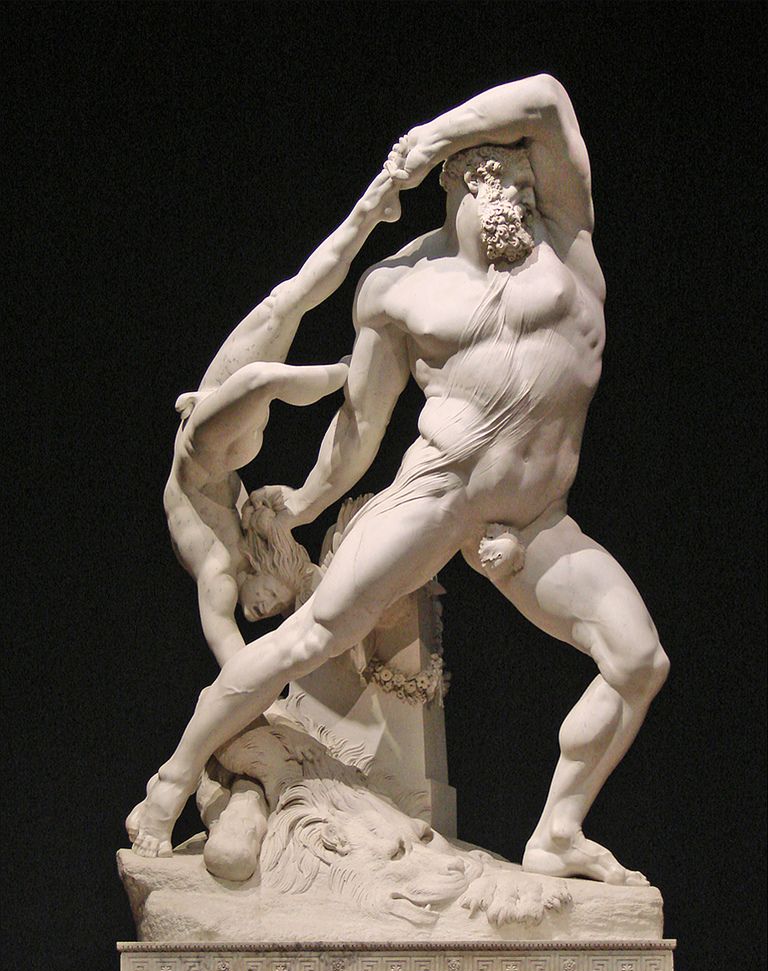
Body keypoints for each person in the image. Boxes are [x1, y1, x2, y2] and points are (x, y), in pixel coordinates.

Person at [130, 75, 669, 885]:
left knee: (638, 661)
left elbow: (548, 99)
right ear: (456, 190)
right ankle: (170, 782)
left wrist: (431, 135)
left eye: (526, 182)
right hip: (437, 495)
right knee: (309, 637)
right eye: (494, 179)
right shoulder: (397, 286)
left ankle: (557, 832)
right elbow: (359, 425)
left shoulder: (568, 243)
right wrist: (305, 502)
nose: (518, 197)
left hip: (537, 522)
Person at [126, 164, 405, 849]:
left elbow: (235, 658)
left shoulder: (219, 570)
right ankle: (374, 207)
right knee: (286, 306)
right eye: (269, 611)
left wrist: (336, 378)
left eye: (264, 612)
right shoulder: (241, 520)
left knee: (273, 345)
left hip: (201, 450)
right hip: (214, 434)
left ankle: (371, 220)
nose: (259, 615)